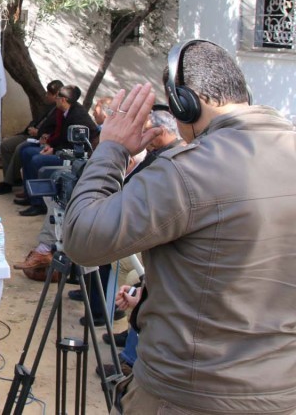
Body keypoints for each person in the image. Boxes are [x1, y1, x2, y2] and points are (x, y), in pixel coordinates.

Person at [63, 40, 296, 414]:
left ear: (186, 102)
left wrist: (112, 150)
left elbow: (82, 238)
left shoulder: (188, 170)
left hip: (188, 395)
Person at [18, 85, 97, 216]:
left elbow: (76, 144)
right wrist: (51, 146)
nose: (55, 99)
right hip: (62, 149)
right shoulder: (64, 112)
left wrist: (54, 151)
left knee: (37, 160)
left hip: (75, 157)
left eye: (58, 96)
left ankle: (38, 204)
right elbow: (61, 136)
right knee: (26, 151)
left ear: (63, 100)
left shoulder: (77, 116)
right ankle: (29, 194)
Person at [0, 80, 64, 194]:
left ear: (56, 95)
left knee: (21, 148)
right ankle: (14, 178)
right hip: (29, 134)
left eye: (49, 94)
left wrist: (39, 132)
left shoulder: (62, 111)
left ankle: (7, 183)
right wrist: (31, 128)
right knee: (6, 145)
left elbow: (54, 131)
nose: (46, 95)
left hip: (40, 139)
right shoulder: (48, 106)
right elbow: (36, 120)